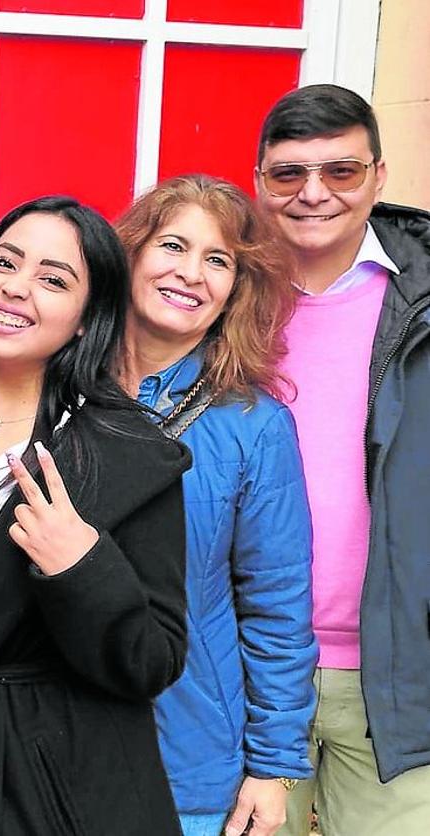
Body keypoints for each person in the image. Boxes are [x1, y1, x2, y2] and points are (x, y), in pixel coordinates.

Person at [0, 195, 191, 835]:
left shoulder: (125, 453)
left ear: (86, 319)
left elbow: (152, 661)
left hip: (48, 782)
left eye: (53, 280)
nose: (16, 289)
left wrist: (83, 567)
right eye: (5, 262)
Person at [114, 174, 318, 836]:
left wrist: (272, 768)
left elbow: (276, 610)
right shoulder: (54, 387)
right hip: (51, 736)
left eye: (217, 259)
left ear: (236, 287)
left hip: (191, 762)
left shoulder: (253, 425)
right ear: (132, 254)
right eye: (172, 245)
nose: (190, 273)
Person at [251, 85, 430, 836]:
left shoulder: (418, 296)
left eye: (341, 172)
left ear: (379, 177)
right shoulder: (218, 293)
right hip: (249, 662)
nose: (313, 194)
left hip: (396, 667)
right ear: (259, 180)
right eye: (288, 174)